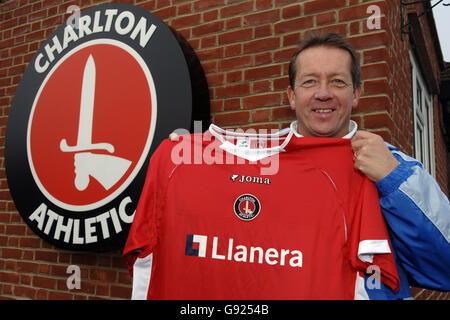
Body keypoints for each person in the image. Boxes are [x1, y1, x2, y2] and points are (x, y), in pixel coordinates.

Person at [167, 32, 450, 298]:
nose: (323, 93)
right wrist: (183, 166)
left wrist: (392, 180)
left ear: (356, 95)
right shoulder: (256, 159)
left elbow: (445, 268)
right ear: (291, 96)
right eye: (310, 82)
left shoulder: (393, 168)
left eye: (338, 82)